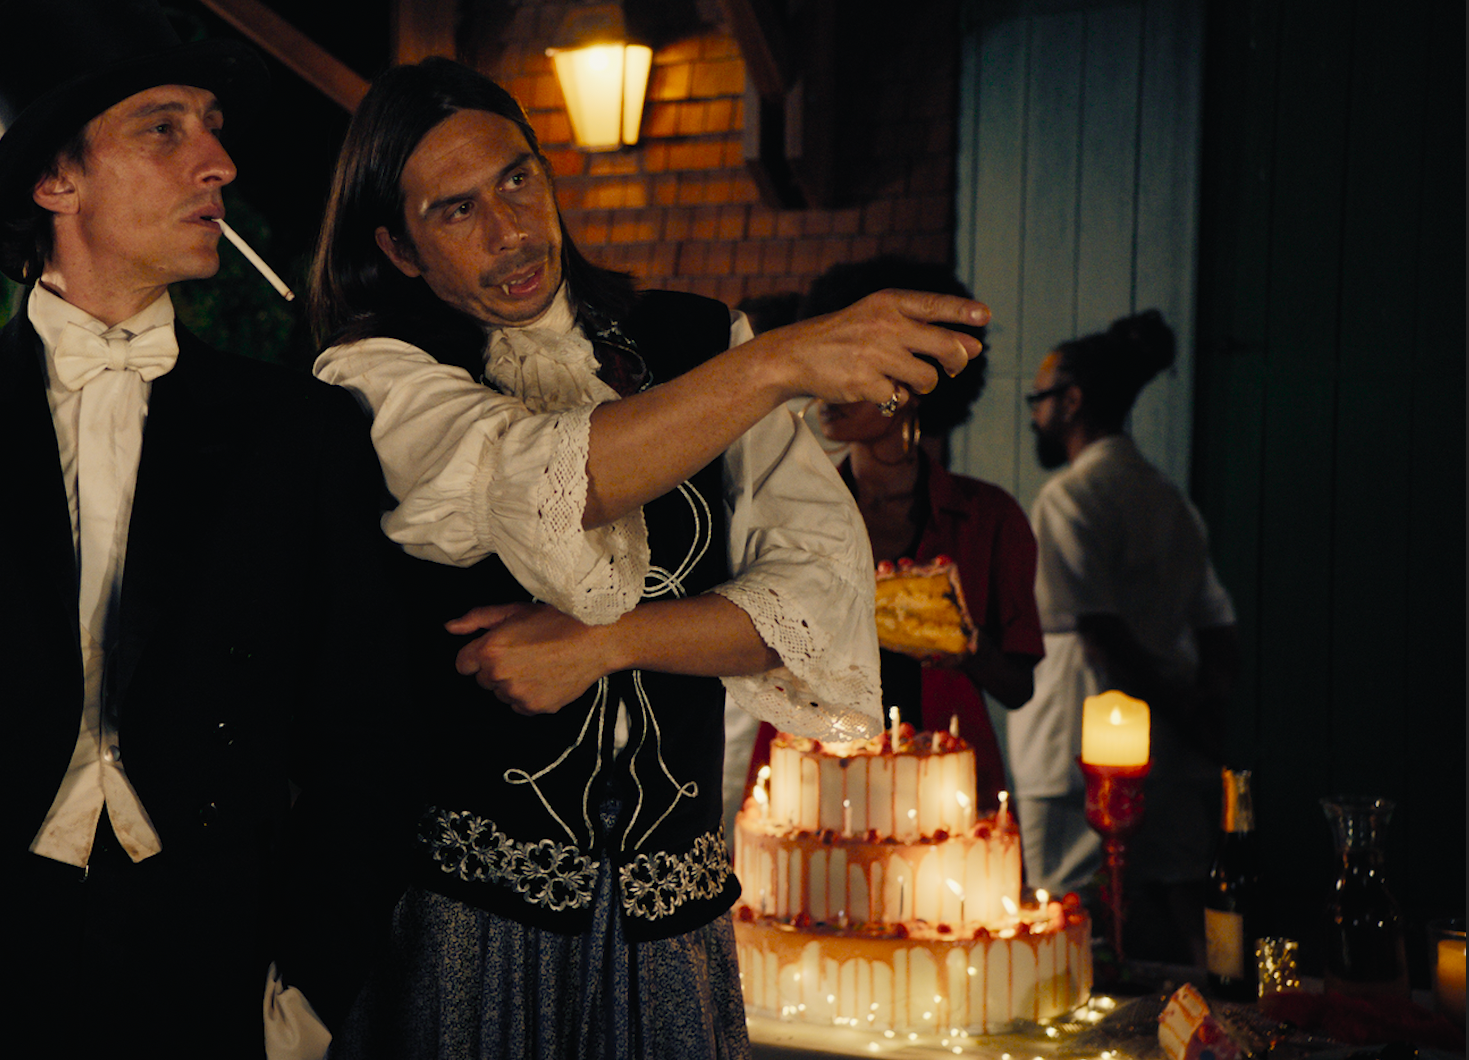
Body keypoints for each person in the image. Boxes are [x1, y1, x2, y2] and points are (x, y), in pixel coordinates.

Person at [0, 0, 405, 1058]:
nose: (218, 162)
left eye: (212, 127)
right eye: (164, 130)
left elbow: (369, 744)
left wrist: (306, 994)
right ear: (55, 181)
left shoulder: (301, 435)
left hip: (211, 981)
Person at [307, 58, 987, 1058]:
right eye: (456, 210)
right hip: (471, 925)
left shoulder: (701, 338)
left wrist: (610, 640)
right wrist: (776, 362)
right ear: (398, 249)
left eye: (517, 179)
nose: (509, 229)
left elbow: (817, 589)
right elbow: (539, 475)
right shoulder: (377, 378)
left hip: (673, 921)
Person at [738, 256, 1040, 805]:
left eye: (855, 372)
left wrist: (961, 642)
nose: (828, 393)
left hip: (943, 791)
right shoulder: (790, 509)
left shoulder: (988, 517)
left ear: (915, 382)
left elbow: (1019, 687)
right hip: (814, 785)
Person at [1010, 308, 1236, 962]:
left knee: (1072, 917)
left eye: (1038, 399)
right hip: (1168, 750)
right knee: (1180, 910)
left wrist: (1181, 708)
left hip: (1080, 752)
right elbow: (1217, 623)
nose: (1033, 415)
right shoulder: (1170, 500)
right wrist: (1200, 711)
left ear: (1072, 401)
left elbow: (1099, 630)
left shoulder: (1070, 499)